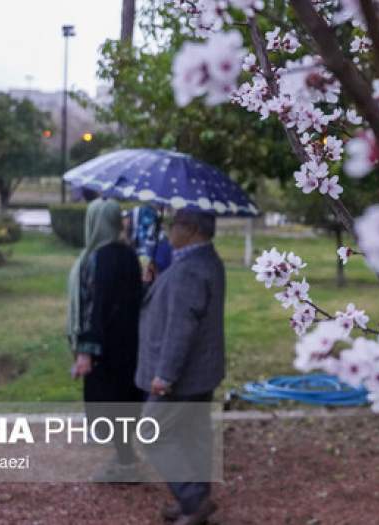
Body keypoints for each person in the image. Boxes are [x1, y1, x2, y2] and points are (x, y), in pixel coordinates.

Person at [137, 209, 225, 525]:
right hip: (202, 370)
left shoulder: (189, 269)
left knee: (150, 431)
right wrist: (156, 284)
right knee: (193, 433)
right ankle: (196, 497)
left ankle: (192, 499)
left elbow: (180, 327)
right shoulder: (203, 261)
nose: (168, 232)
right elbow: (182, 305)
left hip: (182, 375)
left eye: (173, 225)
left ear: (190, 229)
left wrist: (165, 375)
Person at [66, 198, 145, 482]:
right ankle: (126, 459)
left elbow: (93, 308)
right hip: (129, 344)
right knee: (123, 404)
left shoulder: (95, 259)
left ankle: (126, 466)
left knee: (107, 405)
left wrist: (85, 351)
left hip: (103, 347)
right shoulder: (129, 255)